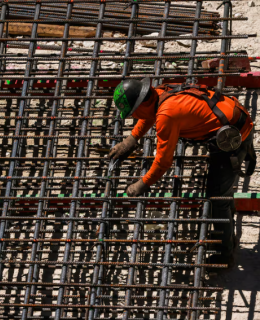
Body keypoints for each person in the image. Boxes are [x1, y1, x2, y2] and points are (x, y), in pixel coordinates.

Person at [109, 77, 257, 266]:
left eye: (133, 113)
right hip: (231, 117)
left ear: (141, 104)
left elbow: (163, 162)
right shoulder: (159, 93)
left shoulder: (167, 115)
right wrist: (132, 139)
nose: (134, 117)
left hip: (233, 137)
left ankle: (225, 254)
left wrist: (142, 183)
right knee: (223, 194)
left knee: (217, 198)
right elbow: (148, 115)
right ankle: (225, 227)